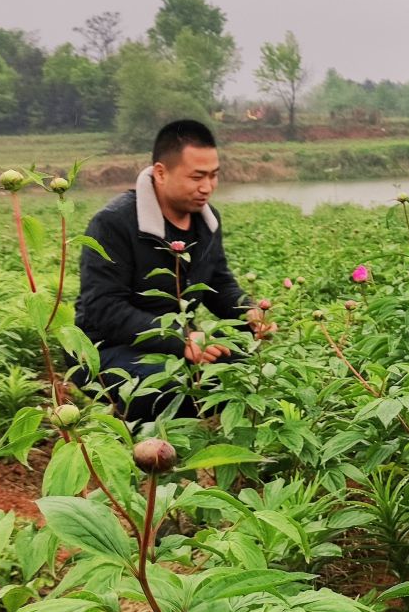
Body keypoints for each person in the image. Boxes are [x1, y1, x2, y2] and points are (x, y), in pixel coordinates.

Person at [75, 119, 267, 417]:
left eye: (214, 176)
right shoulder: (113, 223)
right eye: (196, 177)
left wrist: (250, 312)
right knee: (174, 386)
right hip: (104, 349)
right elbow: (104, 308)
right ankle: (137, 444)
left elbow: (218, 284)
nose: (207, 187)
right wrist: (181, 339)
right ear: (161, 173)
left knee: (247, 371)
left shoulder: (207, 220)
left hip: (177, 343)